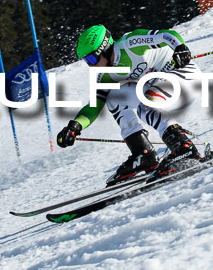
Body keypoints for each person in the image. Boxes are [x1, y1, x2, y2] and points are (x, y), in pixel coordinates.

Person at [56, 25, 202, 185]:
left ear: (103, 49)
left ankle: (183, 147)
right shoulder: (104, 75)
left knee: (146, 103)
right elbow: (95, 104)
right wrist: (75, 126)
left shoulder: (130, 44)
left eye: (91, 59)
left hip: (184, 78)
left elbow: (167, 35)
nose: (91, 66)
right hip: (158, 88)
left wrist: (180, 48)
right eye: (86, 61)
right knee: (113, 96)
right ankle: (143, 154)